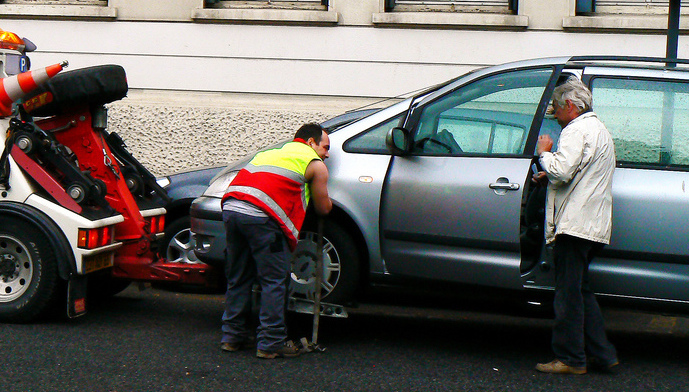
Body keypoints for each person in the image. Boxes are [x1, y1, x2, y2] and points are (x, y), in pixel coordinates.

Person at [219, 123, 332, 359]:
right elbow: (323, 208)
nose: (327, 154)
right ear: (311, 142)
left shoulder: (270, 153)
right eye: (325, 147)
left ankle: (232, 337)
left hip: (231, 209)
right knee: (274, 281)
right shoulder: (314, 164)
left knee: (238, 277)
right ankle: (270, 344)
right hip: (261, 218)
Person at [533, 77, 618, 375]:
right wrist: (551, 171)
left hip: (574, 224)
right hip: (593, 225)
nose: (555, 115)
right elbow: (581, 170)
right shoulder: (599, 130)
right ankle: (603, 354)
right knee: (580, 290)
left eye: (556, 108)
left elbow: (562, 170)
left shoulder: (574, 130)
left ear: (570, 105)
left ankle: (570, 359)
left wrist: (545, 153)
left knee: (567, 295)